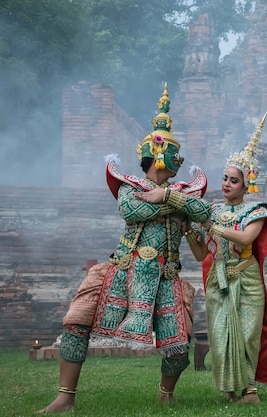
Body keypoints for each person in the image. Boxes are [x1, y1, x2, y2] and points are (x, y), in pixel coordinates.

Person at [37, 84, 213, 413]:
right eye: (176, 154)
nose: (180, 160)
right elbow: (133, 212)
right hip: (122, 268)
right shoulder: (130, 188)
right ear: (159, 154)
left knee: (178, 347)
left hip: (166, 275)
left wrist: (169, 197)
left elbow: (206, 214)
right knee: (76, 322)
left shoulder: (181, 192)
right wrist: (176, 206)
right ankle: (65, 397)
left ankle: (166, 394)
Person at [185, 112, 267, 404]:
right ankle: (229, 388)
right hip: (219, 279)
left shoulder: (256, 211)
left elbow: (245, 238)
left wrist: (211, 226)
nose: (226, 184)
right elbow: (204, 253)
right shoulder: (212, 210)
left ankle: (249, 391)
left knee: (247, 334)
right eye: (225, 178)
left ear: (246, 184)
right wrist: (190, 233)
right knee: (221, 335)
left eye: (234, 180)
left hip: (245, 278)